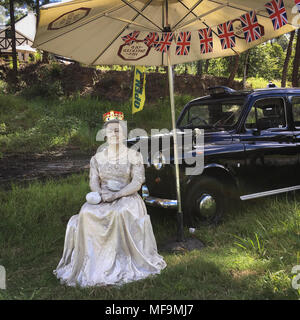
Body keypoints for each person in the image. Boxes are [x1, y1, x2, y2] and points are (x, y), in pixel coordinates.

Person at [53, 110, 166, 287]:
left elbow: (136, 183)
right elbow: (93, 182)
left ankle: (121, 258)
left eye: (118, 130)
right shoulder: (97, 158)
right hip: (104, 196)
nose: (114, 133)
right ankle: (94, 262)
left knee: (119, 212)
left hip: (127, 196)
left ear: (124, 133)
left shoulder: (134, 155)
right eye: (111, 130)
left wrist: (117, 195)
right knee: (86, 212)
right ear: (104, 133)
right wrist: (99, 194)